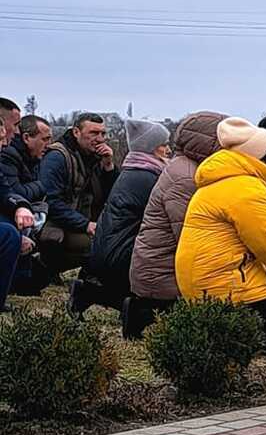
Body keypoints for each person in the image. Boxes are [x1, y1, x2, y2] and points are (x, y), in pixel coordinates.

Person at [175, 118, 266, 351]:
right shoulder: (247, 189)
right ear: (253, 158)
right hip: (226, 289)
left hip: (202, 285)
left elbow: (262, 234)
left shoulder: (219, 183)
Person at [127, 109, 227, 337]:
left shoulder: (186, 167)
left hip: (160, 267)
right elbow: (188, 234)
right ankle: (141, 313)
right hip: (162, 276)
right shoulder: (186, 177)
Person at [71, 120, 171, 318]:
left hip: (108, 249)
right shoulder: (148, 177)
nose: (168, 150)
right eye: (163, 144)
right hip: (122, 253)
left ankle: (87, 293)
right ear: (150, 148)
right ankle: (137, 311)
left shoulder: (133, 171)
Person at [33, 112, 115, 282]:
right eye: (93, 133)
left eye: (102, 133)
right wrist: (85, 225)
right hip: (56, 225)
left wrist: (109, 166)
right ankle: (43, 265)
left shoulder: (95, 157)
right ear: (76, 132)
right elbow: (50, 201)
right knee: (98, 246)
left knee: (110, 243)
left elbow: (111, 195)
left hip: (79, 221)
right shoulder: (57, 157)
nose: (100, 139)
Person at [0, 114, 52, 294]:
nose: (5, 144)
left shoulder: (34, 158)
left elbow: (6, 193)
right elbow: (17, 191)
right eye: (45, 139)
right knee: (10, 234)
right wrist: (44, 185)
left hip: (24, 218)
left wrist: (20, 206)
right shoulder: (10, 156)